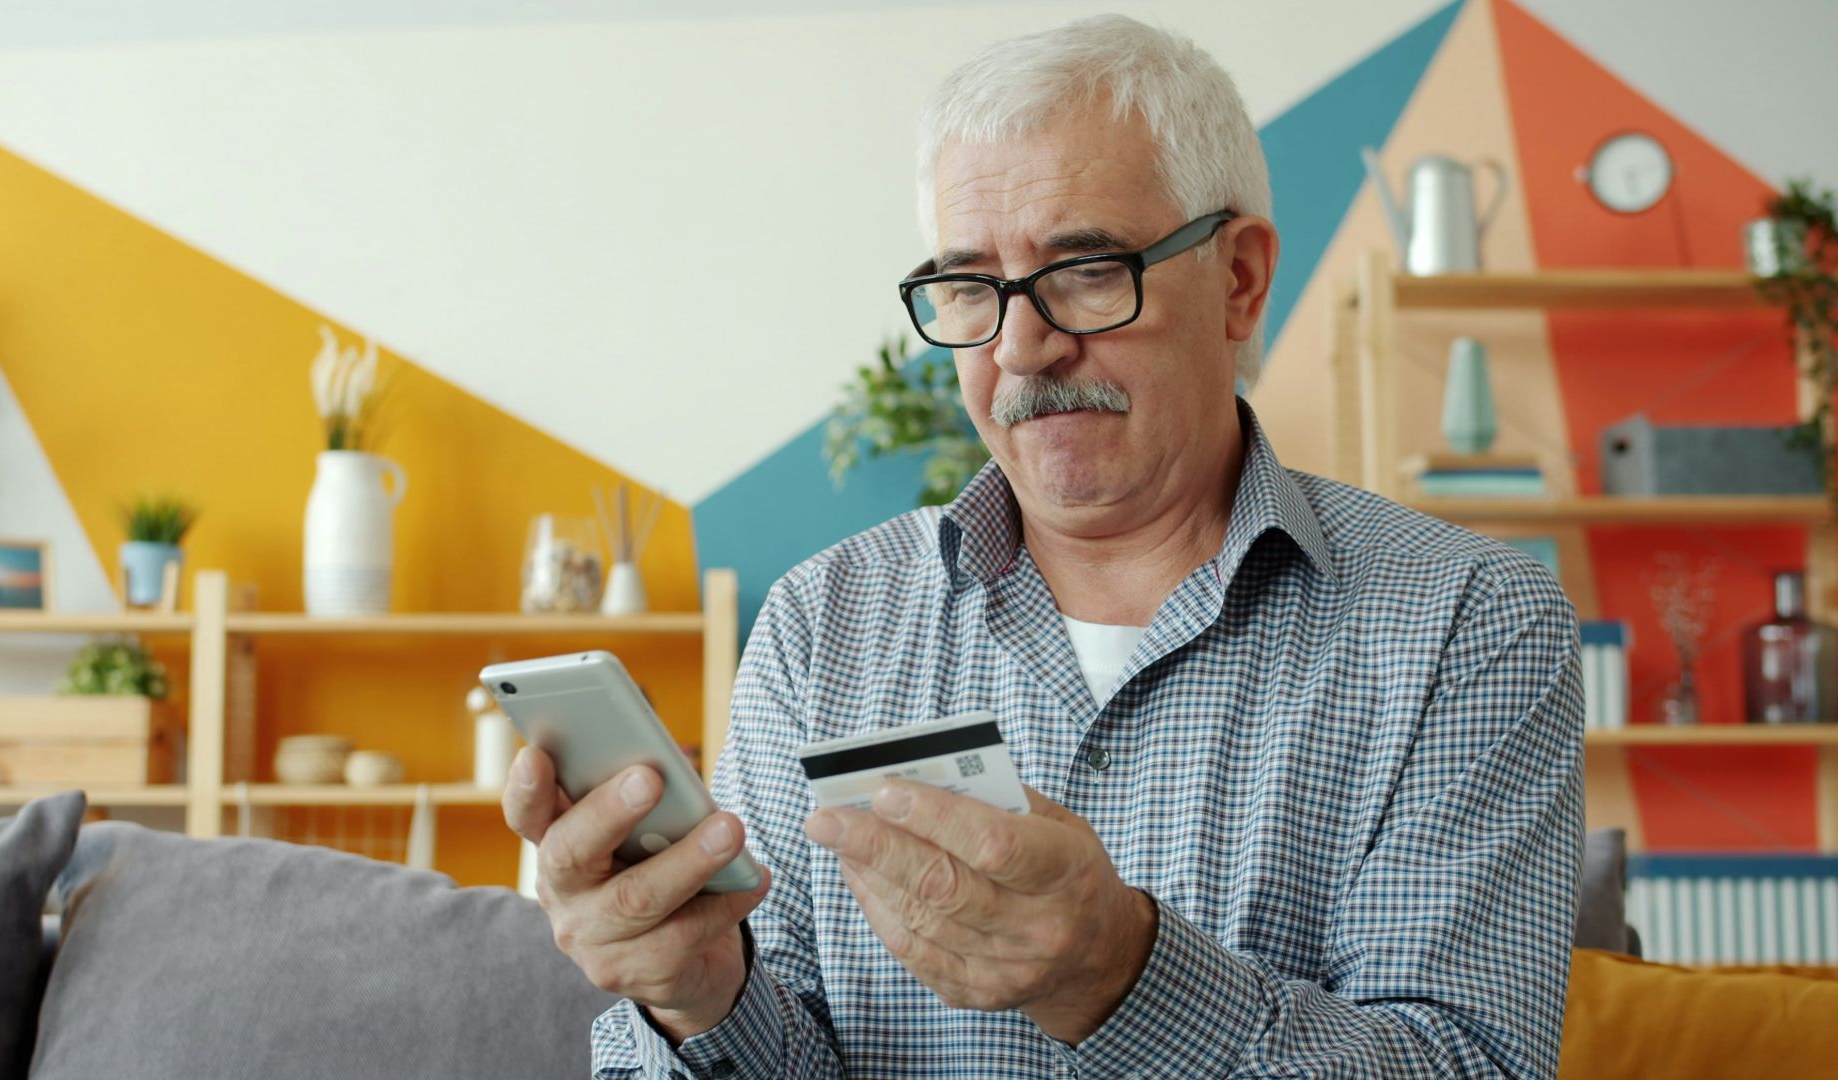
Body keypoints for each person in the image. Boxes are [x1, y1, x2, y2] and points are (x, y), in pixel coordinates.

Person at [505, 14, 1583, 1079]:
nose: (1023, 345)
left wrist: (1121, 979)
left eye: (1087, 268)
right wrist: (701, 1001)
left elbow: (1469, 1067)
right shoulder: (818, 624)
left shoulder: (1468, 624)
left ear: (1241, 281)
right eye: (972, 286)